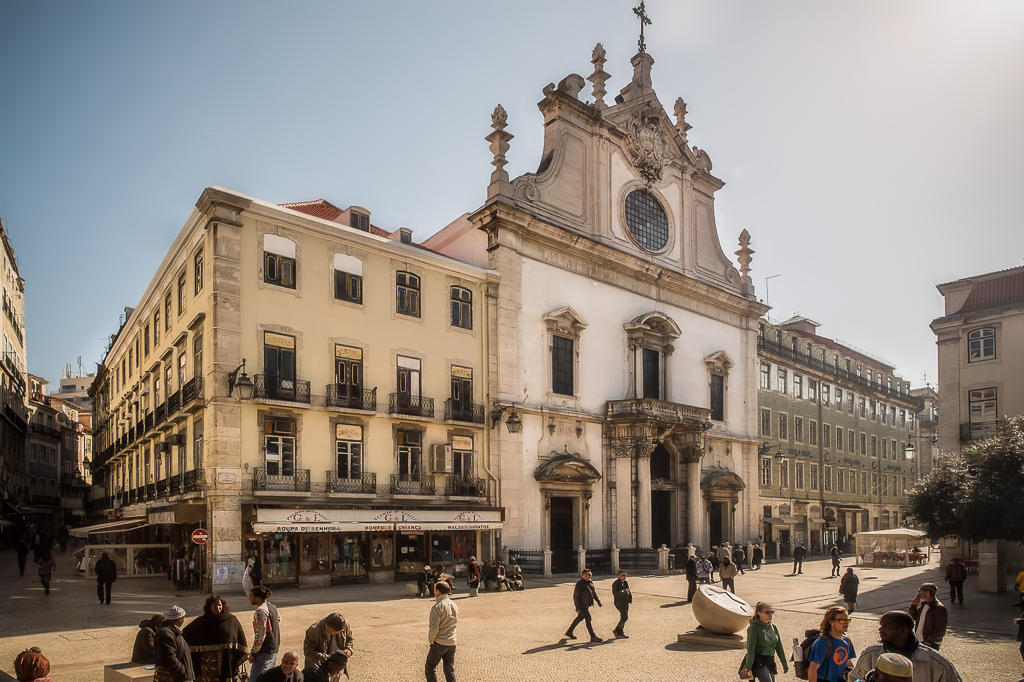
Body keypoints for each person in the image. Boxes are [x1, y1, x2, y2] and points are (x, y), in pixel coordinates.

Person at [849, 610, 963, 682]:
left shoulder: (936, 664)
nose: (880, 629)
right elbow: (854, 679)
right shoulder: (870, 655)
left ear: (903, 630)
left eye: (885, 626)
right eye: (881, 625)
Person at [741, 602, 788, 682]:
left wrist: (784, 663)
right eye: (767, 612)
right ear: (759, 613)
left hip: (770, 661)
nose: (770, 615)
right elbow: (751, 649)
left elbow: (779, 646)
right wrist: (748, 666)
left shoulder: (773, 627)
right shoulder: (754, 628)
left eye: (772, 612)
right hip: (759, 661)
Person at [808, 606, 855, 682]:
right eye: (842, 621)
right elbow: (813, 669)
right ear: (831, 622)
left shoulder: (847, 641)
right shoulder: (822, 642)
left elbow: (848, 663)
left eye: (847, 621)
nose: (846, 624)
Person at [303, 613, 354, 680]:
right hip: (317, 668)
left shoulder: (344, 626)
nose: (336, 634)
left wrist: (348, 650)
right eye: (335, 632)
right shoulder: (313, 631)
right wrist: (329, 658)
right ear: (327, 626)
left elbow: (349, 640)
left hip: (336, 667)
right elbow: (308, 652)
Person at [425, 580, 458, 682]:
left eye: (434, 590)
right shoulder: (454, 604)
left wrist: (431, 640)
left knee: (430, 667)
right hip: (452, 642)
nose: (433, 592)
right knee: (449, 670)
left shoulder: (437, 607)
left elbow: (434, 628)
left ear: (438, 591)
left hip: (439, 642)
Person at [155, 605, 195, 682]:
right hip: (177, 678)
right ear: (180, 619)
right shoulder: (166, 633)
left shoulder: (174, 632)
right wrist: (183, 672)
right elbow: (169, 658)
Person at [248, 585, 281, 680]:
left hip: (264, 652)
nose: (249, 598)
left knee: (256, 679)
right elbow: (278, 619)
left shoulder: (261, 611)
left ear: (257, 598)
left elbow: (260, 635)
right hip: (273, 648)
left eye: (251, 595)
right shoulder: (272, 607)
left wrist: (253, 653)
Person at [564, 568, 602, 642]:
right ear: (583, 575)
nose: (590, 576)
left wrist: (598, 601)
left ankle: (569, 631)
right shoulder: (580, 583)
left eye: (590, 574)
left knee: (580, 618)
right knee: (588, 619)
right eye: (588, 574)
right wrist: (577, 608)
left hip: (586, 605)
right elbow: (575, 596)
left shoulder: (590, 582)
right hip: (582, 606)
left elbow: (593, 593)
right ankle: (593, 636)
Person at [909, 583, 948, 651]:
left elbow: (940, 629)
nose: (918, 593)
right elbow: (913, 617)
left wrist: (928, 641)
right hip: (919, 641)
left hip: (929, 643)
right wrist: (913, 606)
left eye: (920, 591)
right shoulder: (924, 605)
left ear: (927, 592)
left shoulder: (939, 608)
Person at [611, 570, 632, 638]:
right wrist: (624, 592)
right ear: (619, 576)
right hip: (619, 603)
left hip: (626, 602)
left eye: (625, 575)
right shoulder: (615, 583)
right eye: (623, 575)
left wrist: (629, 598)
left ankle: (620, 632)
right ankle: (617, 630)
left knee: (623, 617)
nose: (625, 577)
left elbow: (628, 591)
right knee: (625, 617)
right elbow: (615, 593)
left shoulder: (625, 582)